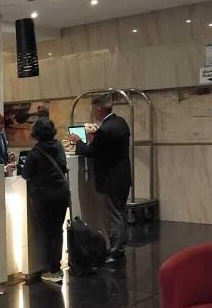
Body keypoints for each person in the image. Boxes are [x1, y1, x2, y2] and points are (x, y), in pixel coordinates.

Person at [69, 93, 132, 264]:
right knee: (119, 214)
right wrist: (97, 137)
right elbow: (109, 147)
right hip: (123, 179)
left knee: (112, 217)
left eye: (93, 109)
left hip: (109, 181)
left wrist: (78, 141)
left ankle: (116, 251)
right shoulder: (121, 123)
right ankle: (120, 247)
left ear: (98, 109)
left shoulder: (105, 130)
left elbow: (91, 152)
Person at [22, 118, 70, 284]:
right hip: (61, 193)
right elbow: (63, 165)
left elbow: (26, 174)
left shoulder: (35, 152)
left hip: (44, 197)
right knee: (57, 231)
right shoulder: (59, 146)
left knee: (49, 233)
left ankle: (53, 269)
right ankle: (56, 266)